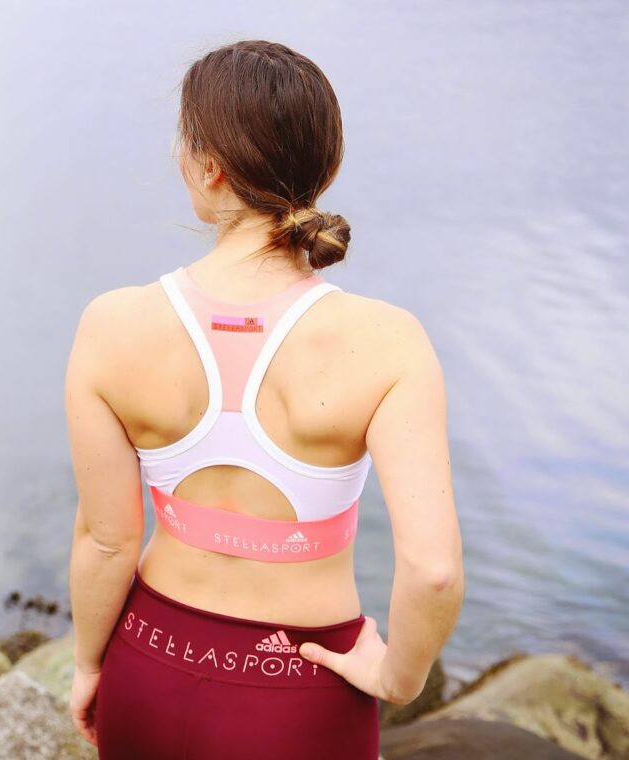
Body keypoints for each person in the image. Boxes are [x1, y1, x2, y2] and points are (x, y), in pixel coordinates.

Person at [64, 39, 464, 760]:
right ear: (324, 165)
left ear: (209, 166)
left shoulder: (113, 324)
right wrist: (397, 679)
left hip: (148, 666)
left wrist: (91, 666)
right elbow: (433, 572)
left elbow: (106, 540)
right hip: (304, 688)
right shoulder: (386, 340)